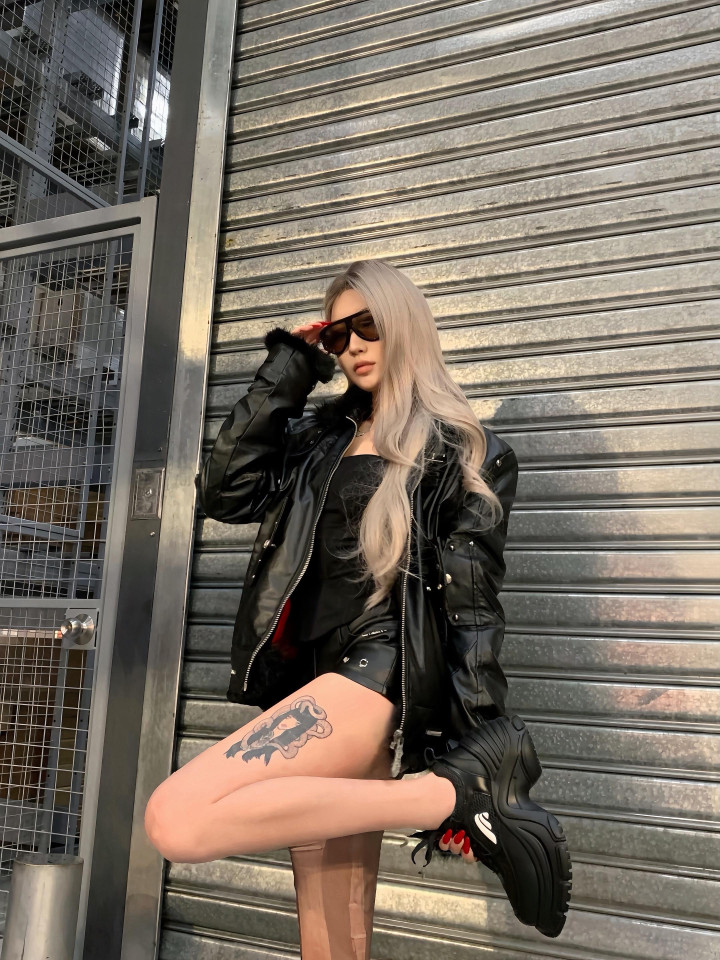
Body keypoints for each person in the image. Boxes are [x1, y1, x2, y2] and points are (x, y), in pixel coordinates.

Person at [144, 259, 572, 958]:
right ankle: (460, 791)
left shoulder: (466, 451)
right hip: (313, 680)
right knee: (331, 933)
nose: (353, 346)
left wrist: (473, 737)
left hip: (376, 674)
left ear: (404, 323)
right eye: (338, 336)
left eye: (368, 325)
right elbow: (227, 490)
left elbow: (471, 609)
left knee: (177, 819)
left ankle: (451, 793)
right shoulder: (320, 439)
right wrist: (293, 363)